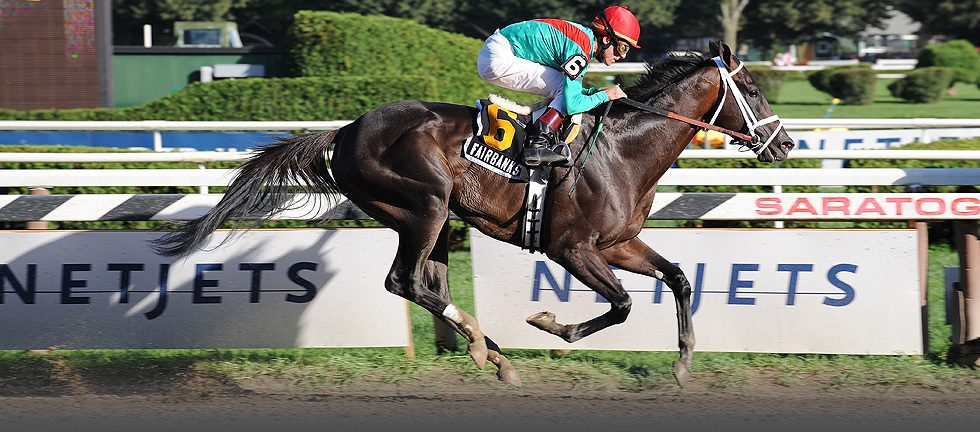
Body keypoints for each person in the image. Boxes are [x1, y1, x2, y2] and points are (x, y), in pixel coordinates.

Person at [477, 6, 640, 167]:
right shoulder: (580, 51)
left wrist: (594, 92)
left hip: (498, 50)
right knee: (563, 89)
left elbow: (572, 93)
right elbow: (572, 105)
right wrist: (605, 96)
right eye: (622, 47)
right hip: (500, 56)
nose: (623, 55)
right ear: (606, 39)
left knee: (563, 87)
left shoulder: (583, 41)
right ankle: (537, 143)